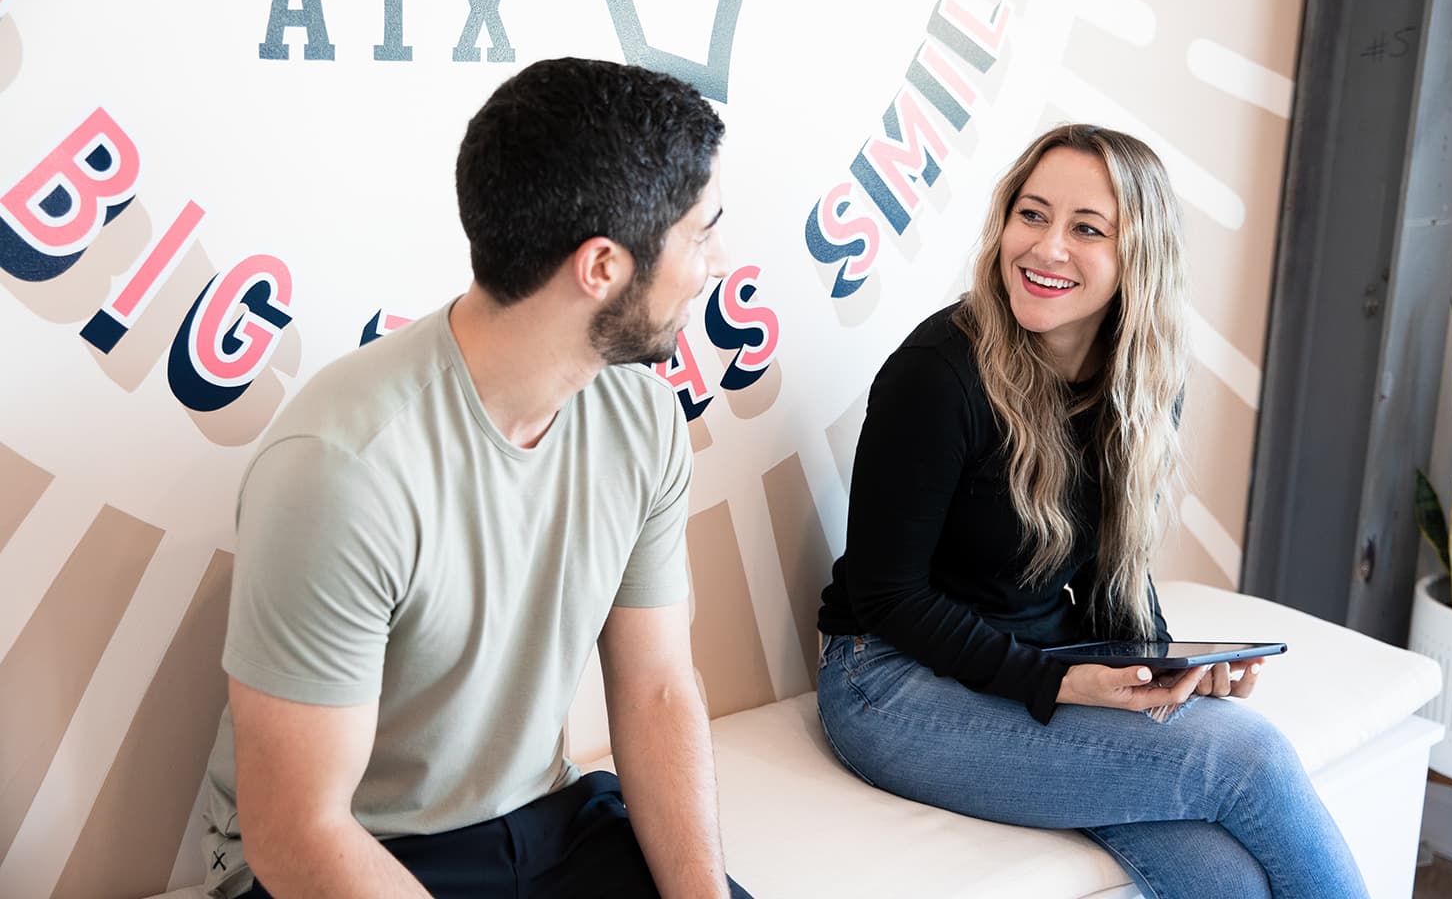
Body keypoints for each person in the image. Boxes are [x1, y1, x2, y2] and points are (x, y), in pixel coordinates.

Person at [199, 57, 751, 899]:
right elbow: (295, 833)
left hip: (546, 821)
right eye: (701, 231)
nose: (719, 259)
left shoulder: (642, 419)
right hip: (353, 854)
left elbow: (659, 687)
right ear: (601, 266)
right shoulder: (341, 471)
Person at [815, 124, 1368, 899]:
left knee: (1227, 881)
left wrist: (1167, 668)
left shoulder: (1142, 382)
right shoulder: (937, 375)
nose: (1045, 249)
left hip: (1035, 660)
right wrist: (1052, 682)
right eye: (1031, 215)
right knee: (1248, 757)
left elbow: (1116, 568)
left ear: (1136, 256)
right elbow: (886, 595)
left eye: (1087, 229)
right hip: (888, 682)